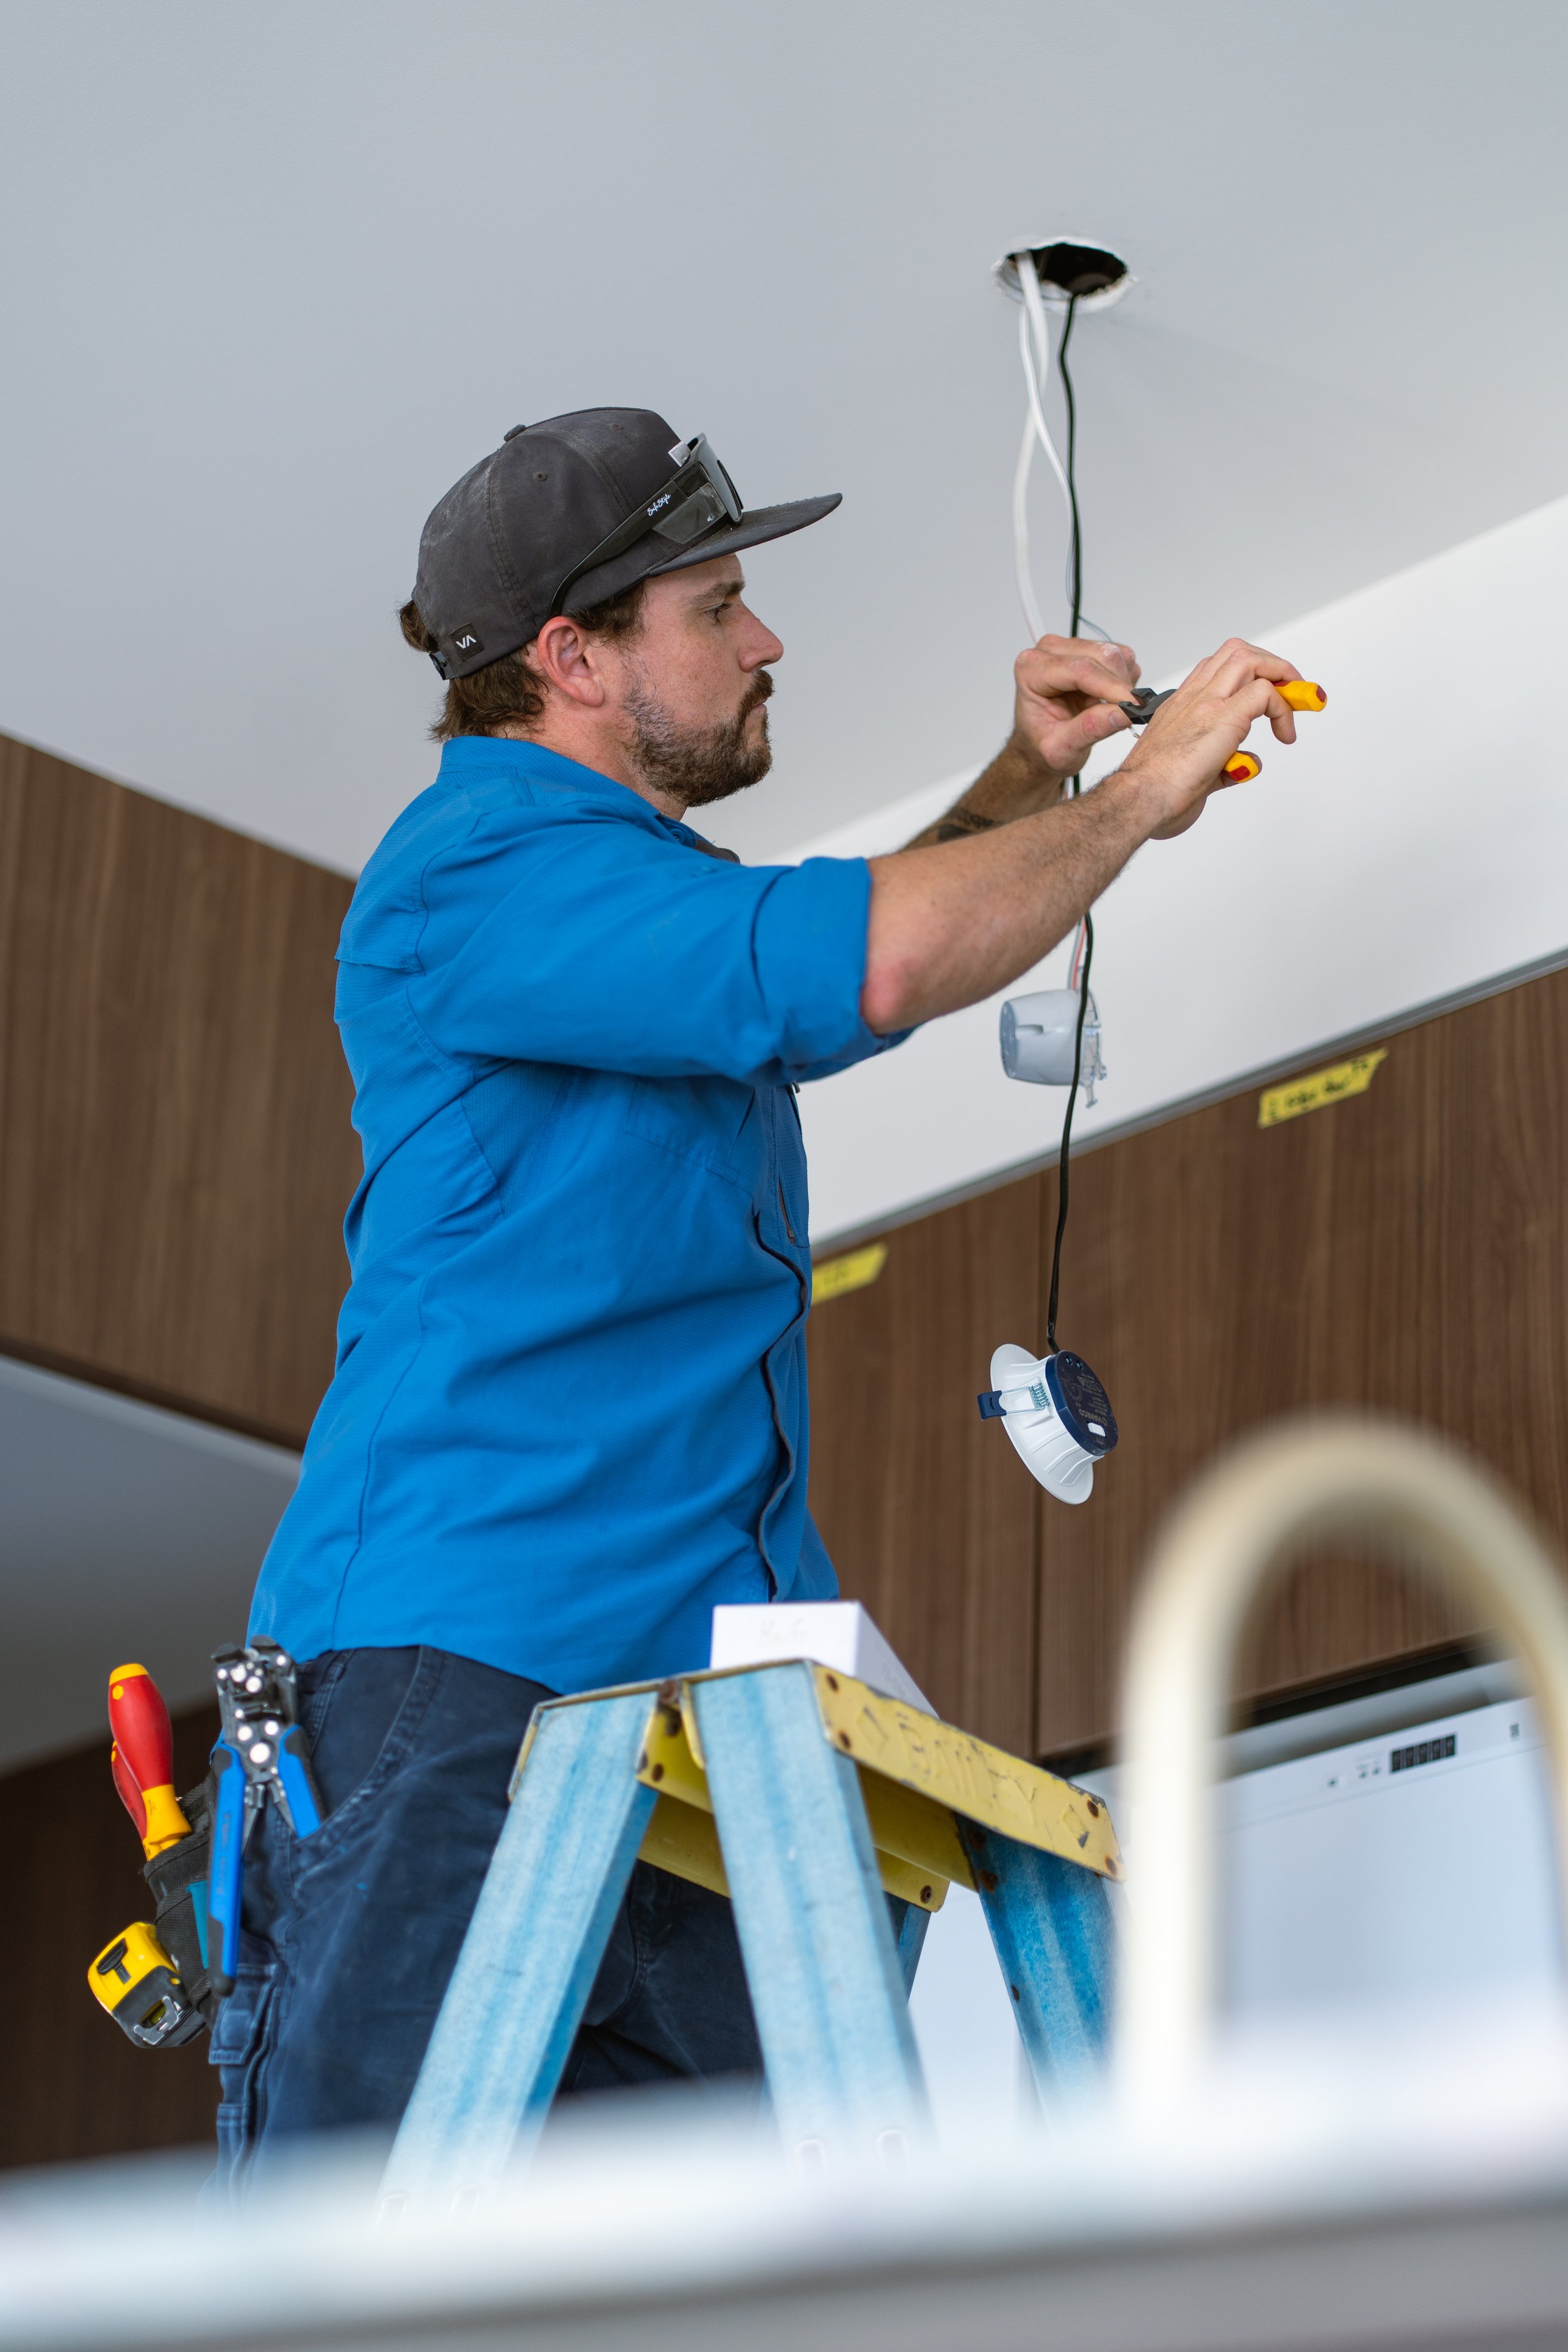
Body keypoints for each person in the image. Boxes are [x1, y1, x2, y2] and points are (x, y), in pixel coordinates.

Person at [217, 407, 1303, 2181]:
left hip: (693, 1725)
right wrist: (1140, 796)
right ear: (570, 658)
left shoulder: (633, 904)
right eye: (716, 607)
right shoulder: (471, 876)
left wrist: (1023, 791)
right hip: (468, 1671)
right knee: (360, 2284)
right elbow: (852, 961)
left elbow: (805, 974)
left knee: (733, 2282)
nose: (765, 639)